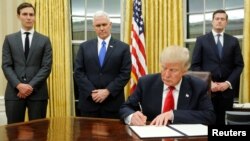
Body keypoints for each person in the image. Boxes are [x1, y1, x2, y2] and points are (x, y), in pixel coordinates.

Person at [120, 46, 216, 126]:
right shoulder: (146, 83)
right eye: (164, 68)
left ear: (184, 71)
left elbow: (209, 116)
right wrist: (131, 116)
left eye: (173, 70)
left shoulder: (198, 86)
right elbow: (125, 107)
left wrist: (173, 115)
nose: (166, 75)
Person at [74, 10, 131, 119]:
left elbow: (125, 74)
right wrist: (92, 92)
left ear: (110, 25)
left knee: (114, 136)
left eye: (104, 25)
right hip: (89, 103)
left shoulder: (123, 48)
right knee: (87, 136)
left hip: (112, 104)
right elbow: (78, 72)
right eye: (98, 25)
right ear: (93, 27)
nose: (101, 28)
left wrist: (107, 91)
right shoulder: (84, 47)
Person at [1, 2, 52, 124]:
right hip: (14, 93)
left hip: (38, 94)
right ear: (18, 16)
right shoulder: (9, 39)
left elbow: (46, 67)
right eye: (25, 14)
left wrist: (29, 86)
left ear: (35, 17)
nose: (28, 17)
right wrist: (19, 85)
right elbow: (6, 65)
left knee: (39, 132)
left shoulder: (45, 40)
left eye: (31, 14)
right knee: (13, 132)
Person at [191, 9, 244, 125]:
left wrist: (228, 83)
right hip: (207, 92)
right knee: (206, 124)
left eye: (222, 19)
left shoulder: (233, 41)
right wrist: (209, 83)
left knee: (223, 124)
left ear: (226, 22)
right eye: (217, 19)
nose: (219, 21)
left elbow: (239, 65)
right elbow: (195, 65)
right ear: (212, 21)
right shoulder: (201, 40)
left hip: (226, 93)